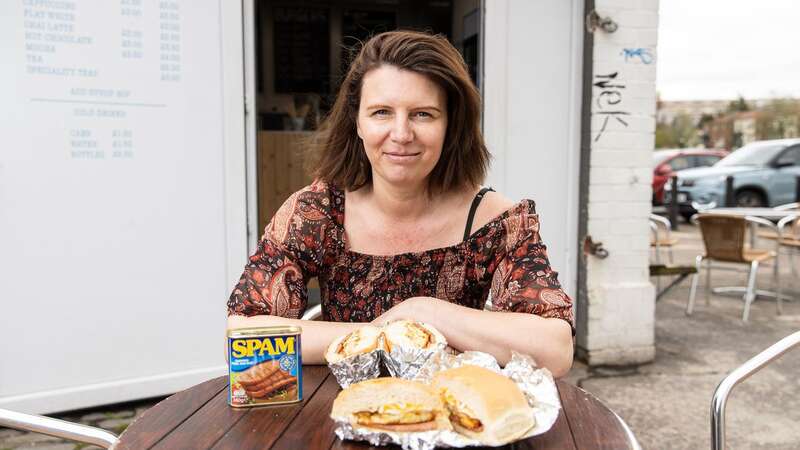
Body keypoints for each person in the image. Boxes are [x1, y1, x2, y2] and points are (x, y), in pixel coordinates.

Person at [227, 31, 573, 377]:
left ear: (451, 125)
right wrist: (383, 334)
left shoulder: (495, 220)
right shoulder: (317, 212)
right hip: (339, 413)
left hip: (455, 417)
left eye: (423, 114)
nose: (402, 134)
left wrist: (425, 312)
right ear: (357, 122)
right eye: (381, 112)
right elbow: (242, 332)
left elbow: (555, 351)